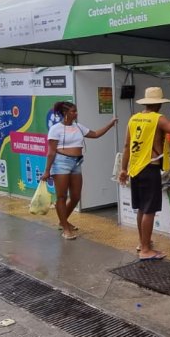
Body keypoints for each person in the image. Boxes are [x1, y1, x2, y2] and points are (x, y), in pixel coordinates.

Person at [118, 87, 170, 260]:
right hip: (149, 169)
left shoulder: (134, 118)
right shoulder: (158, 119)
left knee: (142, 208)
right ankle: (145, 250)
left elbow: (127, 146)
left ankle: (143, 242)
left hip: (135, 169)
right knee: (149, 210)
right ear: (158, 103)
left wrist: (123, 168)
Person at [41, 101, 117, 240]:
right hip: (61, 163)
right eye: (73, 111)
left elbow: (95, 134)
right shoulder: (55, 129)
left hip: (77, 163)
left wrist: (110, 125)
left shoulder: (78, 126)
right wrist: (47, 171)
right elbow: (51, 152)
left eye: (76, 111)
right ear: (65, 113)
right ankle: (65, 227)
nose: (76, 113)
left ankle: (63, 220)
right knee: (62, 196)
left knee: (76, 196)